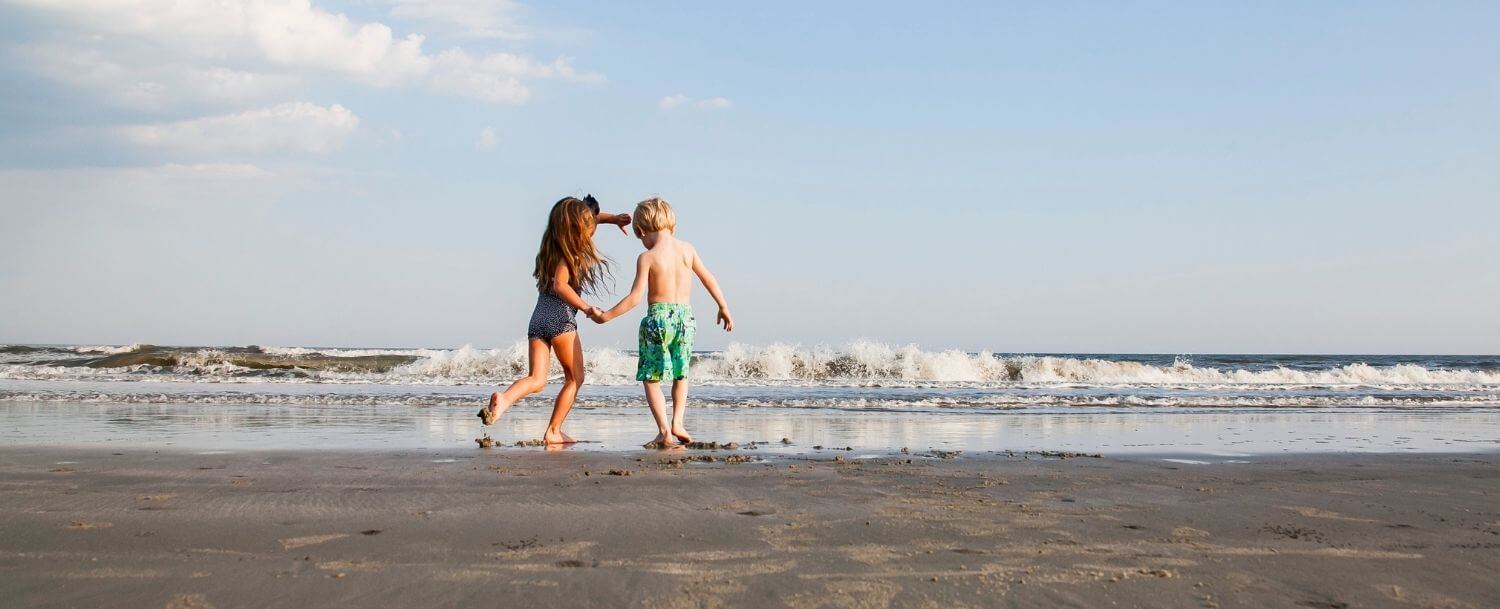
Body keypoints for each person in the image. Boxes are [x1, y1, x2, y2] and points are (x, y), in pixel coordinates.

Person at [477, 195, 630, 445]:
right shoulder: (572, 254)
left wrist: (611, 219)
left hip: (538, 317)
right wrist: (587, 307)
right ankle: (553, 431)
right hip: (561, 318)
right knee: (575, 378)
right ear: (578, 229)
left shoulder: (552, 246)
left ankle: (504, 400)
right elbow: (560, 285)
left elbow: (584, 220)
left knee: (537, 379)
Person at [590, 197, 733, 447]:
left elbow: (635, 298)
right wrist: (723, 306)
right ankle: (678, 421)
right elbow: (708, 278)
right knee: (681, 374)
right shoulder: (687, 249)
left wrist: (605, 316)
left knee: (652, 377)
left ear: (642, 231)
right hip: (685, 319)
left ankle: (665, 431)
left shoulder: (647, 257)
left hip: (658, 319)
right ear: (672, 226)